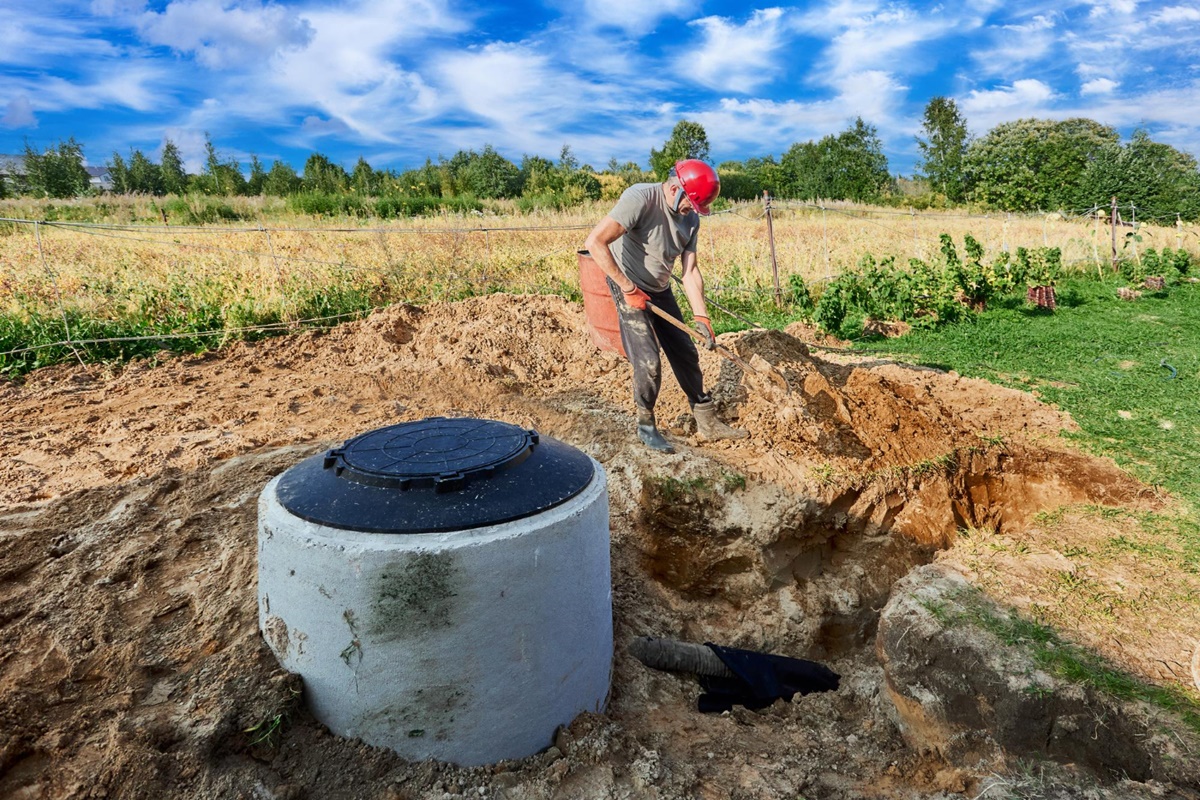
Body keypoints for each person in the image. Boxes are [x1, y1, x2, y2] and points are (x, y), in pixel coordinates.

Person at [583, 159, 748, 453]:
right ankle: (646, 425)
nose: (691, 212)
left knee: (686, 352)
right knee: (649, 362)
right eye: (690, 205)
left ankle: (707, 422)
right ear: (675, 188)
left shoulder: (691, 220)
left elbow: (690, 272)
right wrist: (628, 288)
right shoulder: (641, 198)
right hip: (627, 283)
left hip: (660, 289)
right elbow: (595, 242)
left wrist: (702, 316)